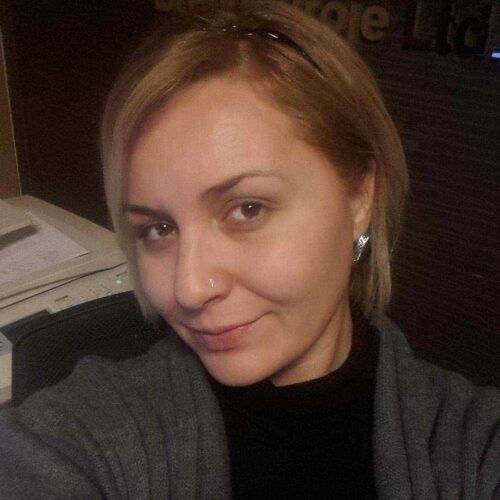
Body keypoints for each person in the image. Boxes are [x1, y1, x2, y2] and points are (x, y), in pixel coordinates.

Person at [0, 1, 499, 498]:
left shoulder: (472, 445)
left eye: (248, 209)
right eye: (158, 229)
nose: (189, 289)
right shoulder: (86, 437)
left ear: (360, 198)